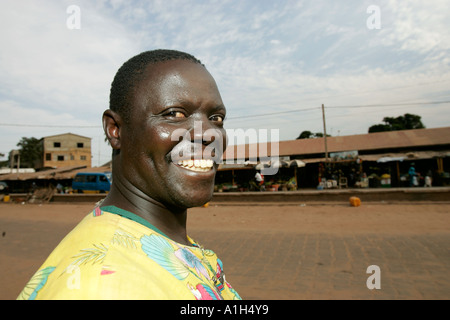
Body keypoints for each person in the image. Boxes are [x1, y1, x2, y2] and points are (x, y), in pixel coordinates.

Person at [17, 49, 241, 300]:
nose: (209, 134)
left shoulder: (154, 240)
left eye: (216, 118)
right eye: (174, 114)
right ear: (115, 130)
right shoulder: (101, 284)